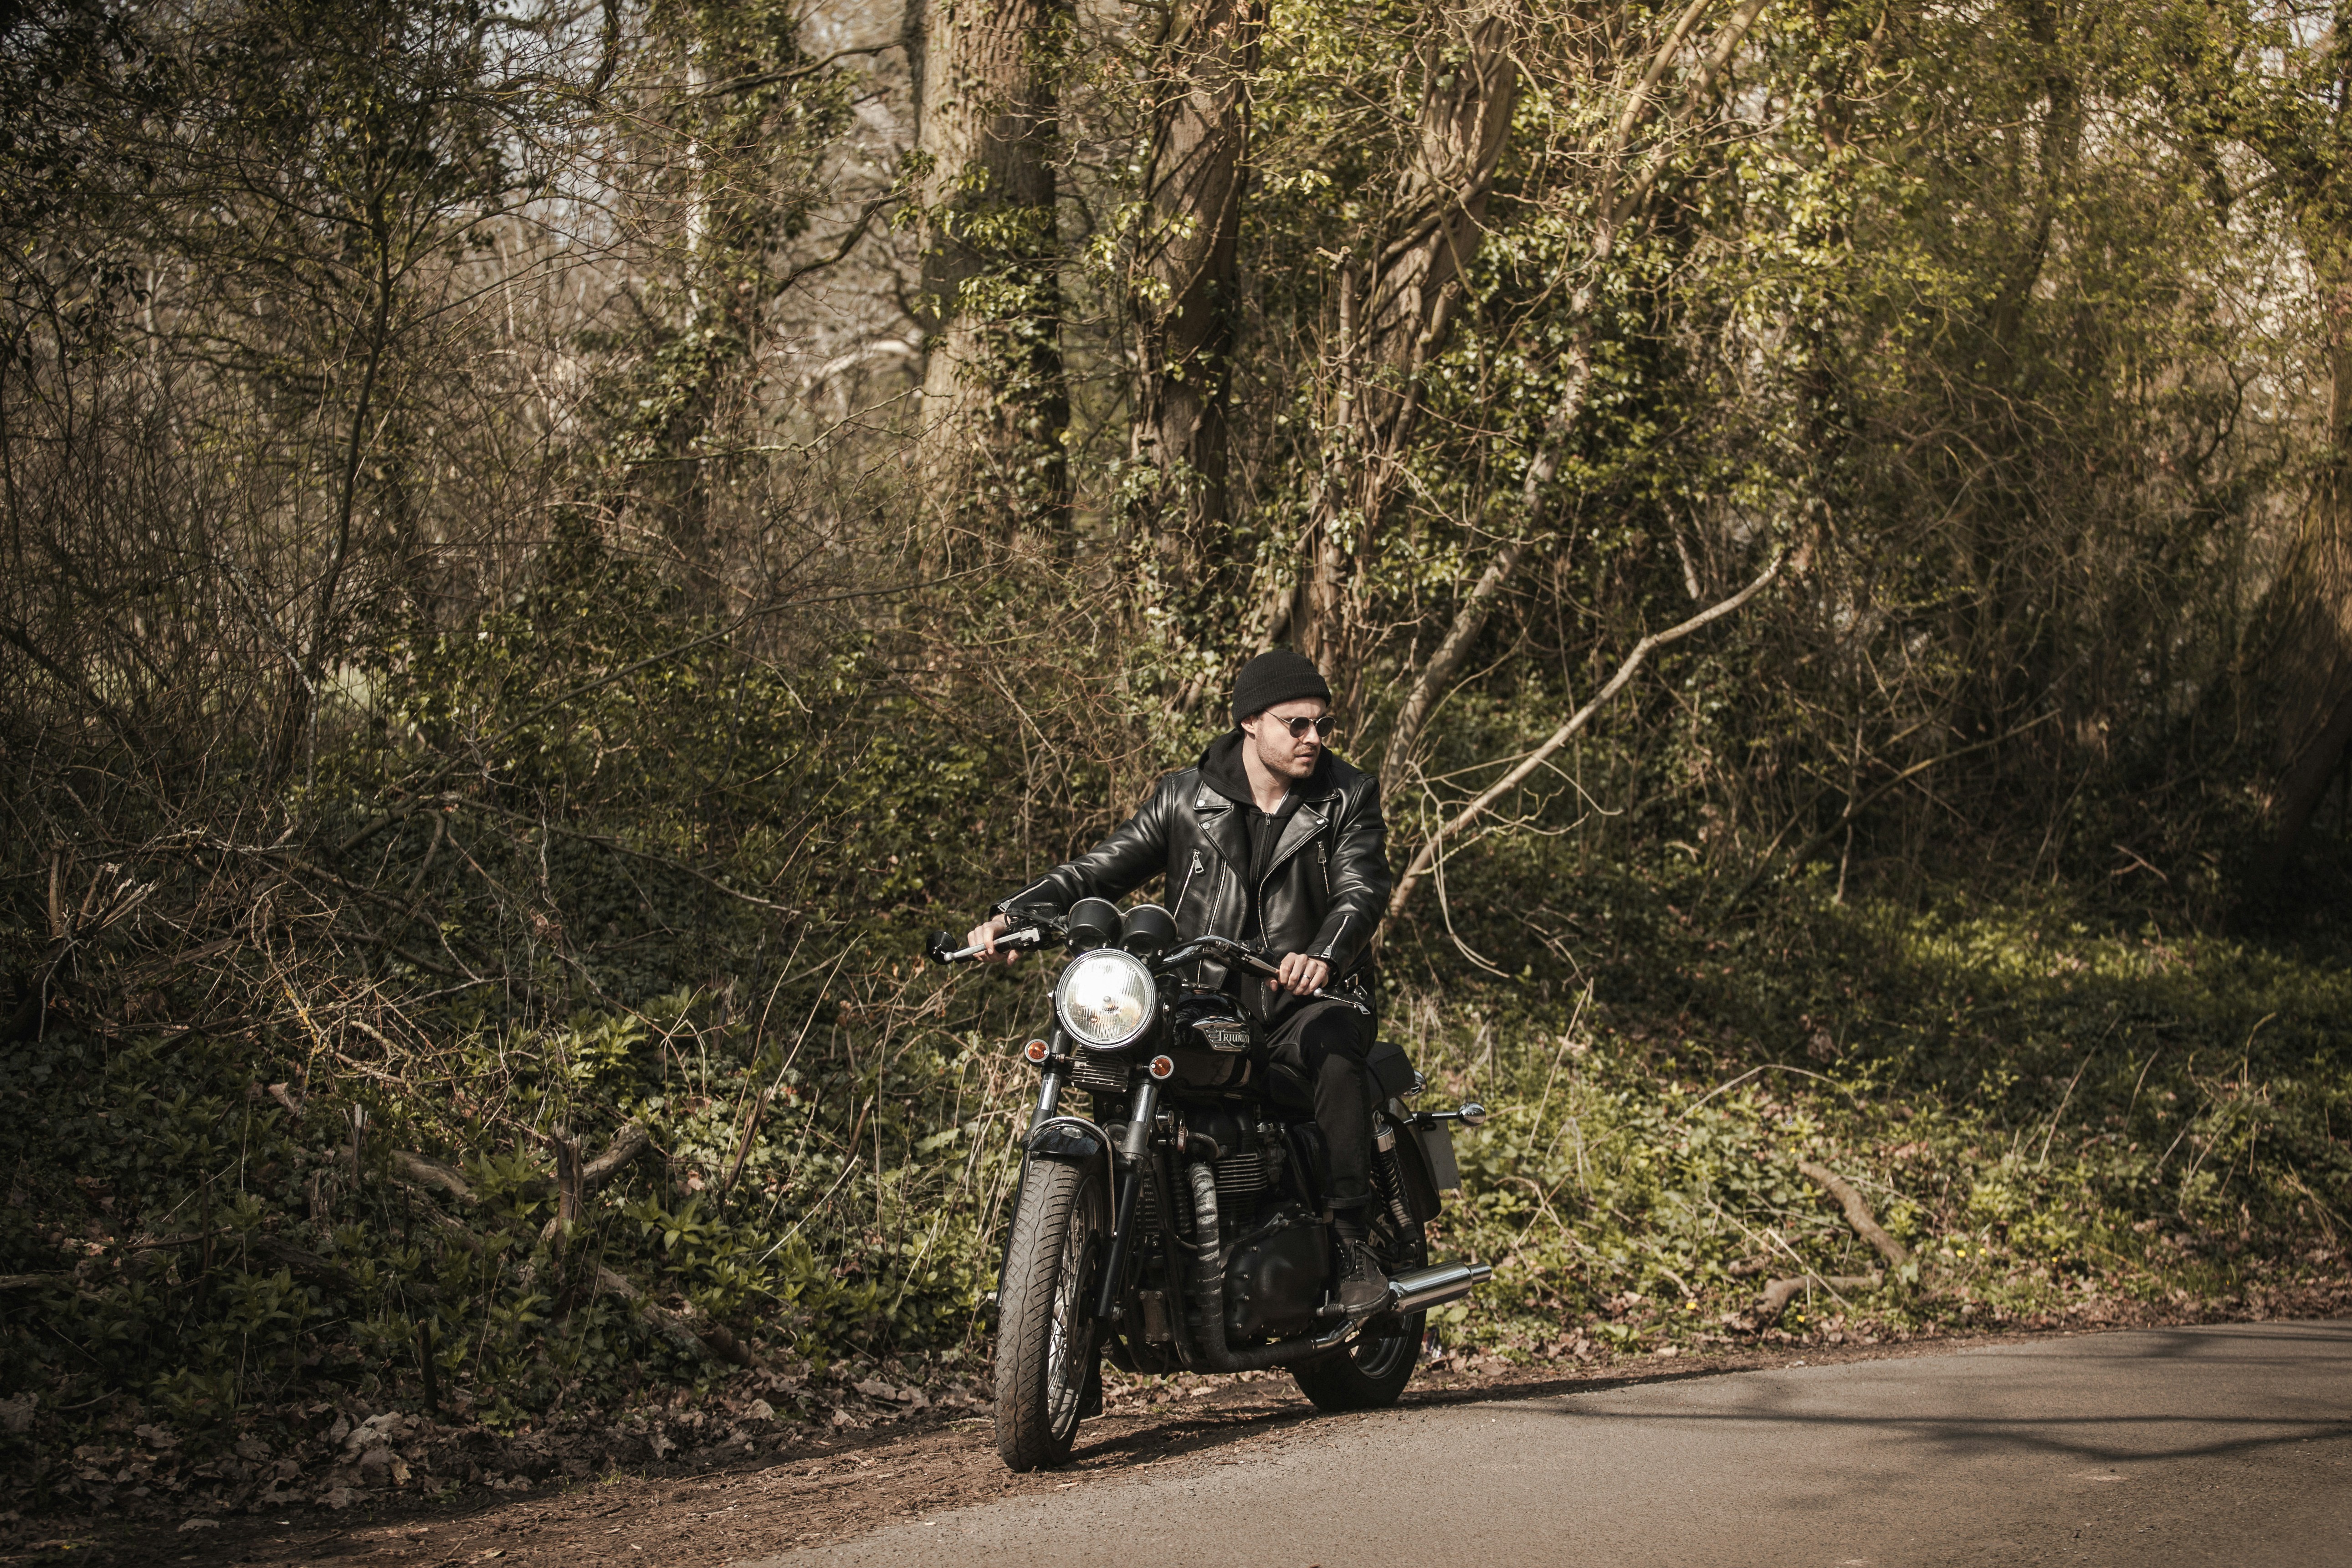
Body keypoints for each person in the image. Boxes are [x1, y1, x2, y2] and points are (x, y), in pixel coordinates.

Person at [965, 650, 1395, 1310]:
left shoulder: (1345, 794)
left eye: (1323, 725)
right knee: (1121, 1063)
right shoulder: (1185, 796)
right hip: (1207, 999)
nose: (1315, 738)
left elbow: (1361, 888)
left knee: (1335, 1051)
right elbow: (1098, 869)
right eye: (1298, 724)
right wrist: (1013, 914)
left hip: (1311, 997)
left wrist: (1326, 955)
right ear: (1252, 721)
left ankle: (1349, 1238)